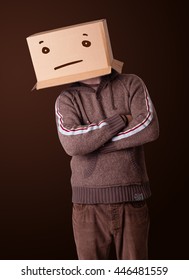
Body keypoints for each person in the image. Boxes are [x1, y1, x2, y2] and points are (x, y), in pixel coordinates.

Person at [55, 69, 159, 260]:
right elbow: (71, 143)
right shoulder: (66, 98)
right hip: (87, 205)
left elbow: (149, 127)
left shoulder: (131, 83)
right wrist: (119, 120)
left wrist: (94, 144)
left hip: (131, 198)